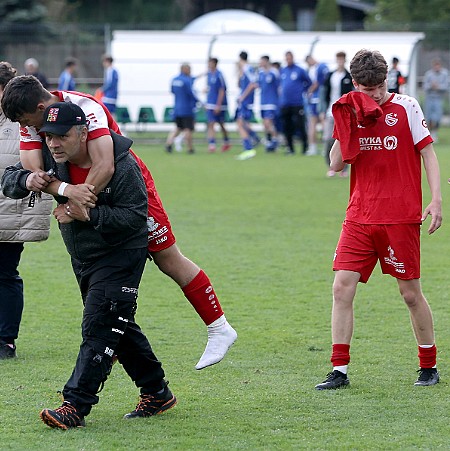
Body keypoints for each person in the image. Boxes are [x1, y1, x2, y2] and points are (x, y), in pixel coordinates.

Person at [1, 75, 237, 371]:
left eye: (29, 121)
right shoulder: (36, 120)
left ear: (40, 105)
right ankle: (133, 368)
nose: (32, 130)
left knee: (167, 258)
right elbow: (33, 171)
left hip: (125, 189)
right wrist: (67, 192)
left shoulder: (85, 107)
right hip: (82, 196)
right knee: (98, 281)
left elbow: (105, 165)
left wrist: (76, 203)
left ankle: (219, 328)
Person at [2, 101, 177, 428]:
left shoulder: (122, 166)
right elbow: (9, 178)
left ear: (84, 134)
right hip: (84, 257)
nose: (53, 143)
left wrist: (90, 214)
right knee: (117, 325)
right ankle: (157, 391)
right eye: (48, 136)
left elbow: (136, 218)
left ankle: (75, 405)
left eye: (62, 136)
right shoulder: (52, 159)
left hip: (122, 254)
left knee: (98, 326)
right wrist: (28, 180)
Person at [315, 49, 442, 391]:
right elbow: (336, 164)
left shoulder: (406, 106)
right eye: (366, 87)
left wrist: (436, 199)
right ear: (355, 83)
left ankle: (428, 365)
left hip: (399, 216)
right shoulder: (351, 109)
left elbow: (428, 153)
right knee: (341, 287)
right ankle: (339, 370)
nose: (375, 92)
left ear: (388, 78)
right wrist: (348, 120)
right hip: (359, 216)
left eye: (380, 84)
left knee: (410, 294)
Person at [0, 62, 52, 360]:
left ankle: (5, 339)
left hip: (11, 208)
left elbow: (36, 169)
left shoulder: (23, 123)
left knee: (5, 273)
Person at [322, 51, 353, 177]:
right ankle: (331, 166)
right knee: (328, 139)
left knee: (343, 140)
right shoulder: (330, 75)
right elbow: (325, 94)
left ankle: (344, 168)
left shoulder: (348, 76)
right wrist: (322, 110)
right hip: (330, 111)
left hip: (344, 113)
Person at [279, 51, 312, 155]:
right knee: (287, 126)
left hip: (297, 103)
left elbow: (308, 82)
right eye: (286, 58)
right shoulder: (283, 71)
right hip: (285, 103)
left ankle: (305, 147)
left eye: (290, 58)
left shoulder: (299, 70)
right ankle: (290, 148)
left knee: (300, 125)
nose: (288, 60)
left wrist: (303, 91)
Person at [165, 63, 198, 155]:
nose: (190, 71)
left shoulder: (174, 80)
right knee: (188, 129)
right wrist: (199, 102)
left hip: (177, 109)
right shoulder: (186, 81)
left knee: (178, 127)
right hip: (187, 109)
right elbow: (191, 94)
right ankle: (190, 148)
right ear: (185, 69)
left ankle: (168, 144)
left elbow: (172, 91)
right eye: (189, 69)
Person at [235, 51, 259, 161]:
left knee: (240, 123)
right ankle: (255, 138)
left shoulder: (248, 68)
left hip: (246, 101)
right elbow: (240, 84)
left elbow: (253, 84)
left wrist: (243, 97)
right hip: (244, 101)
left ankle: (248, 149)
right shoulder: (244, 70)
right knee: (243, 123)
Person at [205, 57, 231, 153]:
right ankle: (212, 144)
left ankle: (226, 141)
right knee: (211, 123)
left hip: (219, 104)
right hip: (210, 103)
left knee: (221, 124)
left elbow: (222, 90)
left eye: (210, 63)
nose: (209, 65)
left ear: (215, 64)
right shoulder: (209, 75)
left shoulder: (219, 75)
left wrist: (218, 104)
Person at [305, 55, 329, 156]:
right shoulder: (321, 67)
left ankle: (315, 147)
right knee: (319, 123)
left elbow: (317, 83)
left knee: (316, 122)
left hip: (317, 98)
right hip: (319, 98)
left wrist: (309, 91)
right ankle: (322, 147)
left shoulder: (318, 68)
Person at [423, 57, 449, 142]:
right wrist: (431, 86)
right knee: (429, 117)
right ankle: (429, 134)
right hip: (429, 98)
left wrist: (438, 87)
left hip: (439, 98)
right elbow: (425, 86)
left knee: (437, 117)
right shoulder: (429, 74)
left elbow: (446, 86)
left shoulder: (445, 74)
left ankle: (435, 133)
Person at [258, 55, 280, 152]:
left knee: (268, 122)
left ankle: (275, 140)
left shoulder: (274, 72)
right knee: (265, 124)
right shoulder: (261, 73)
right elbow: (257, 85)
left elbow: (279, 87)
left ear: (266, 62)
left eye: (262, 61)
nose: (260, 63)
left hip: (271, 102)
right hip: (263, 102)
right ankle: (269, 141)